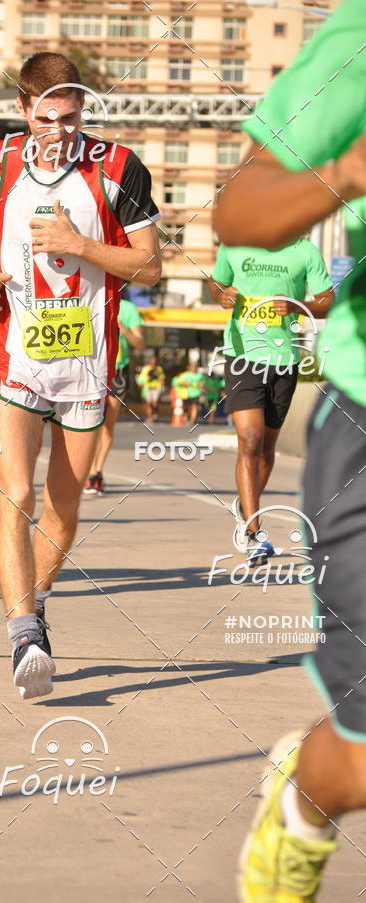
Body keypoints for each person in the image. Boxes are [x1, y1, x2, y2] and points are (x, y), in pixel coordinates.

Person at [0, 52, 161, 699]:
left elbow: (148, 265)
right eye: (45, 118)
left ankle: (34, 600)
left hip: (87, 360)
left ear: (83, 110)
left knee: (64, 507)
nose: (58, 130)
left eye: (69, 117)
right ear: (23, 109)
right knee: (16, 494)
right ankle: (23, 635)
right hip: (14, 354)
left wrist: (81, 245)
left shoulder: (118, 169)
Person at [213, 3, 366, 899]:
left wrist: (302, 308)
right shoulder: (358, 40)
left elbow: (312, 296)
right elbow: (240, 210)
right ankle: (304, 811)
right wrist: (345, 171)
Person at [208, 240, 333, 566]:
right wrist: (221, 295)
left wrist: (296, 306)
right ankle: (253, 531)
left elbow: (327, 301)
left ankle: (245, 506)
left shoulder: (305, 251)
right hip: (242, 357)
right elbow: (217, 282)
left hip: (286, 360)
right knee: (249, 440)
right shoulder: (234, 245)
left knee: (265, 448)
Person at [84, 295, 145, 494]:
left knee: (107, 424)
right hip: (92, 368)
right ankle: (88, 470)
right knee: (91, 423)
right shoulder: (90, 299)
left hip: (117, 371)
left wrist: (124, 329)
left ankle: (96, 472)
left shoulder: (127, 308)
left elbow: (140, 344)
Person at [137, 352, 165, 424]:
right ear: (150, 361)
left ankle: (154, 412)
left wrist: (162, 384)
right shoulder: (146, 368)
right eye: (152, 360)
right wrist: (147, 379)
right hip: (147, 388)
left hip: (156, 388)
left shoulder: (159, 369)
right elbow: (141, 378)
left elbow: (161, 378)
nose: (154, 362)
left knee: (154, 403)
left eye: (155, 360)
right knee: (148, 403)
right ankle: (150, 417)